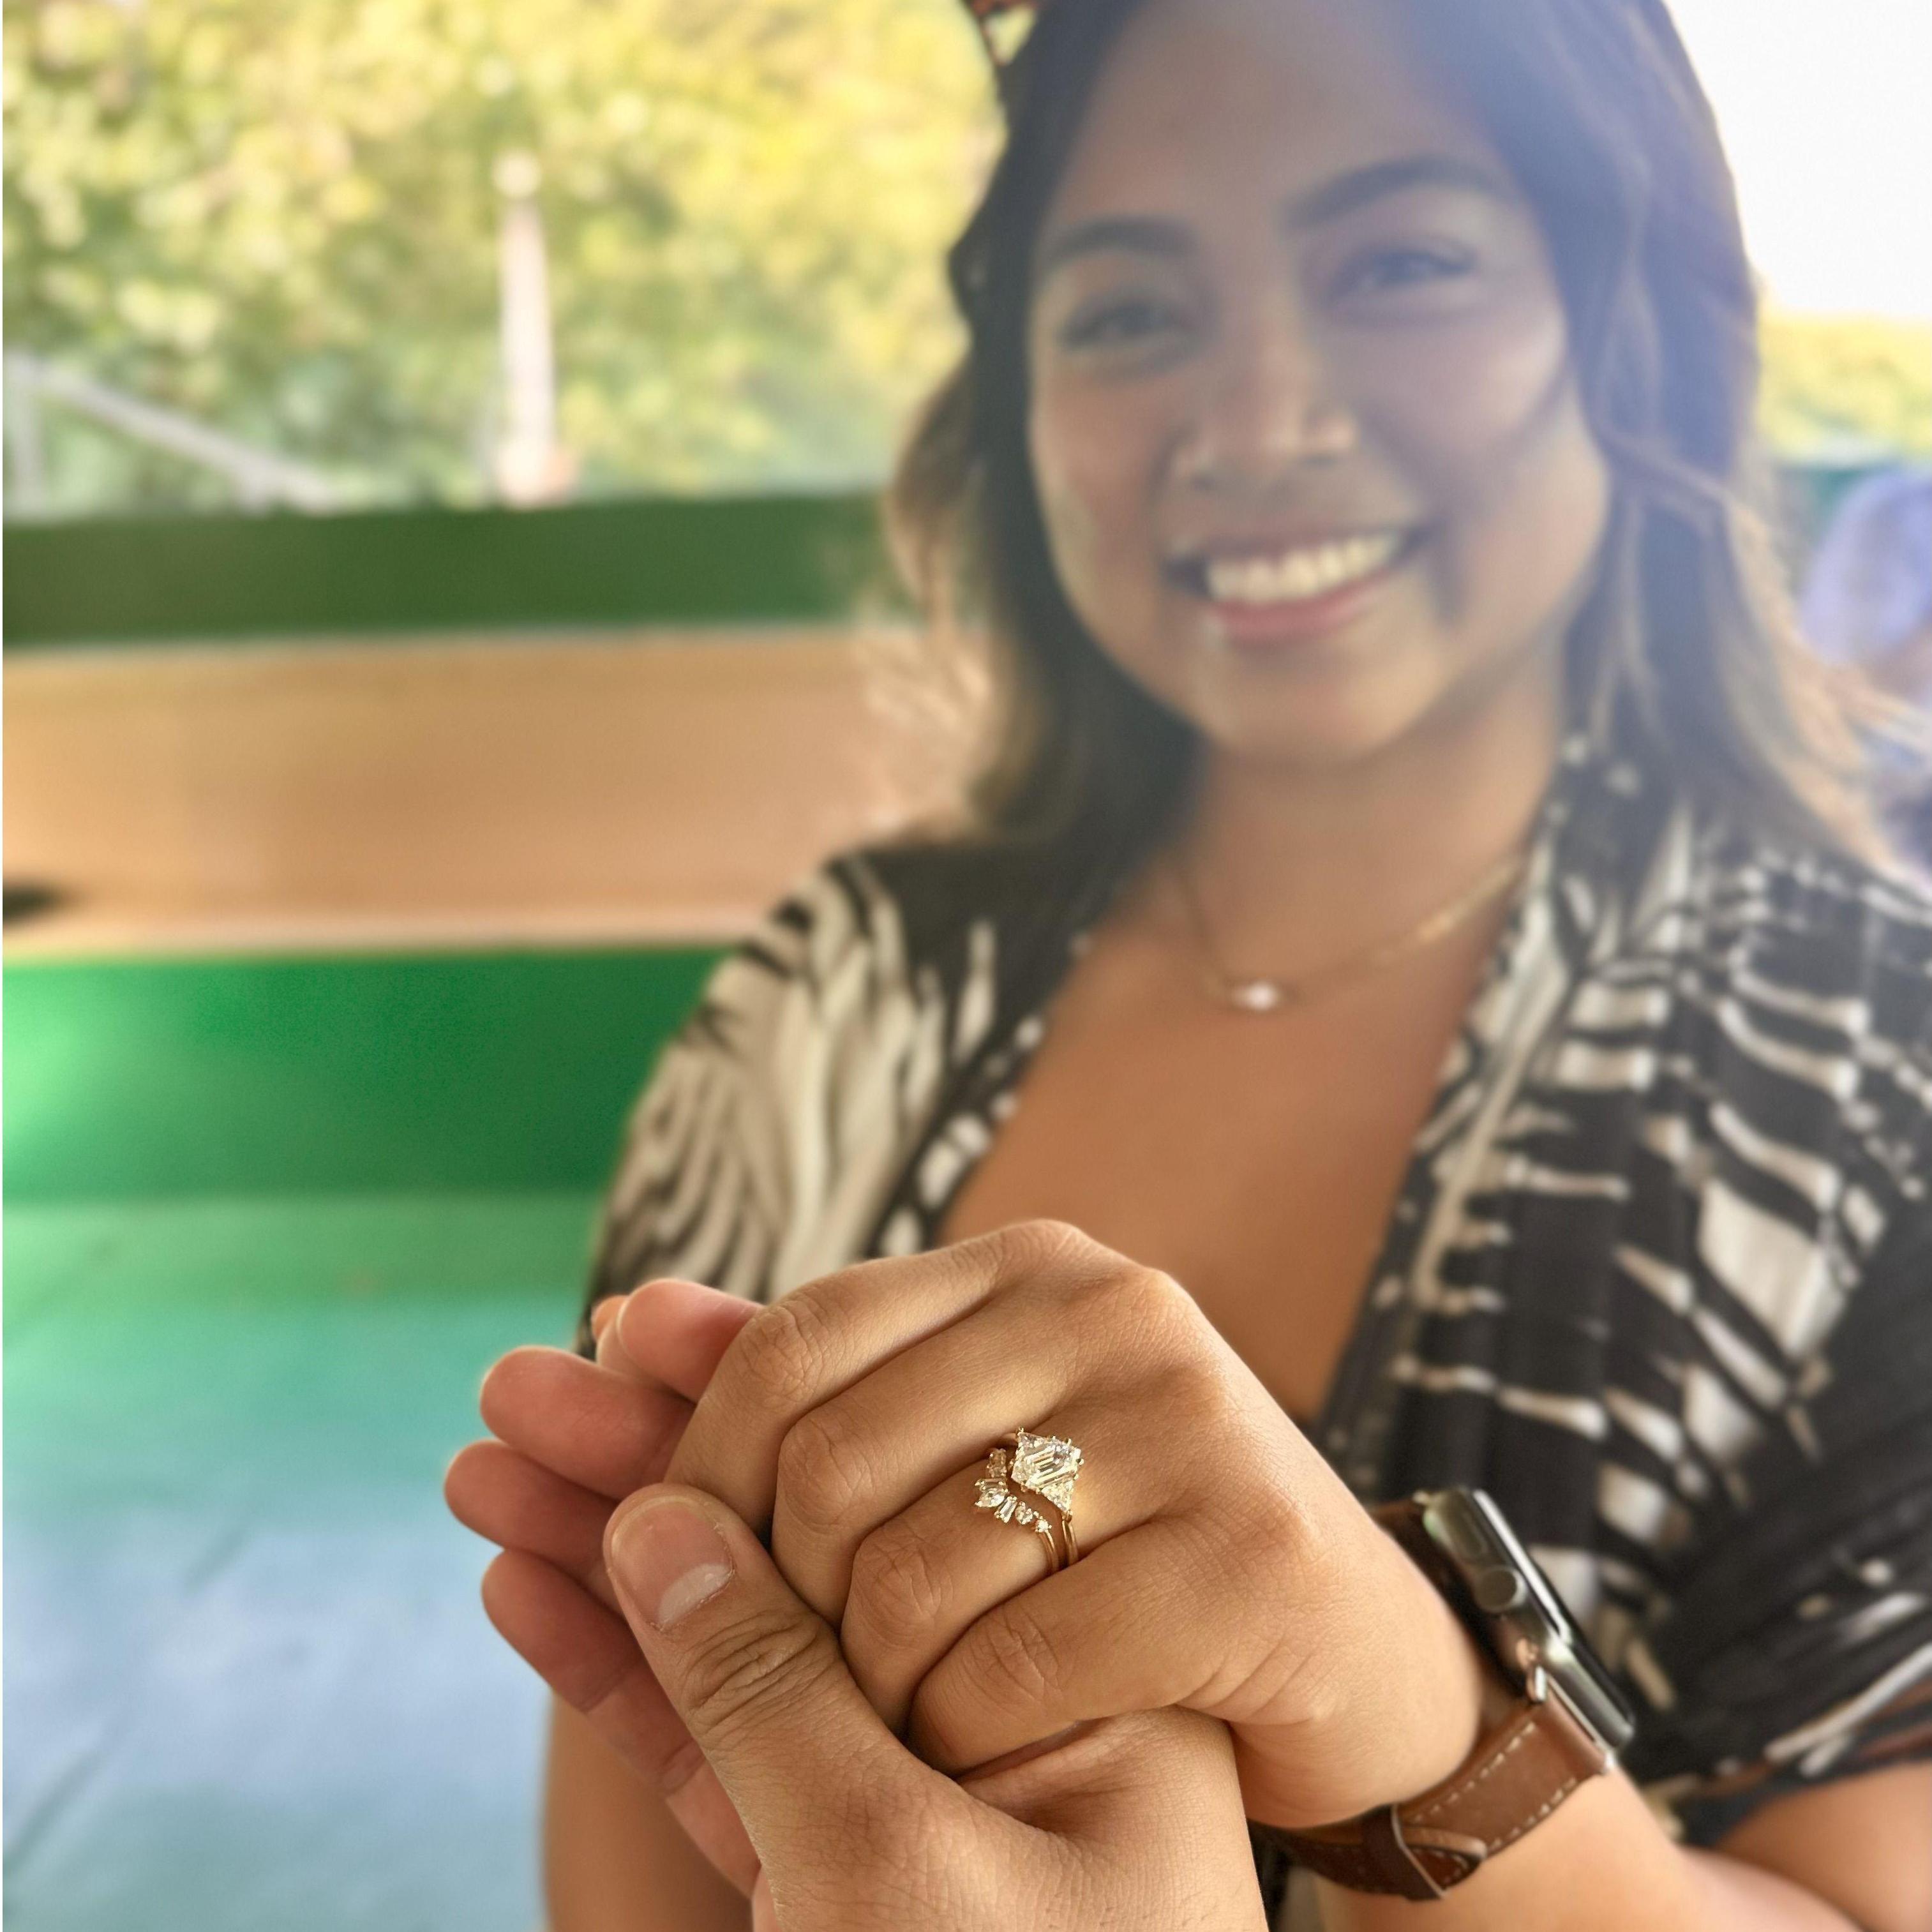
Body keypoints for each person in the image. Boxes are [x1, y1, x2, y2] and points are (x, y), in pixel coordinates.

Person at [444, 0, 1932, 1925]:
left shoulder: (1873, 1062)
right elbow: (643, 1801)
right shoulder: (830, 1003)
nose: (1255, 426)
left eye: (1399, 263)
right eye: (1131, 313)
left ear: (1629, 324)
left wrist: (1391, 1701)